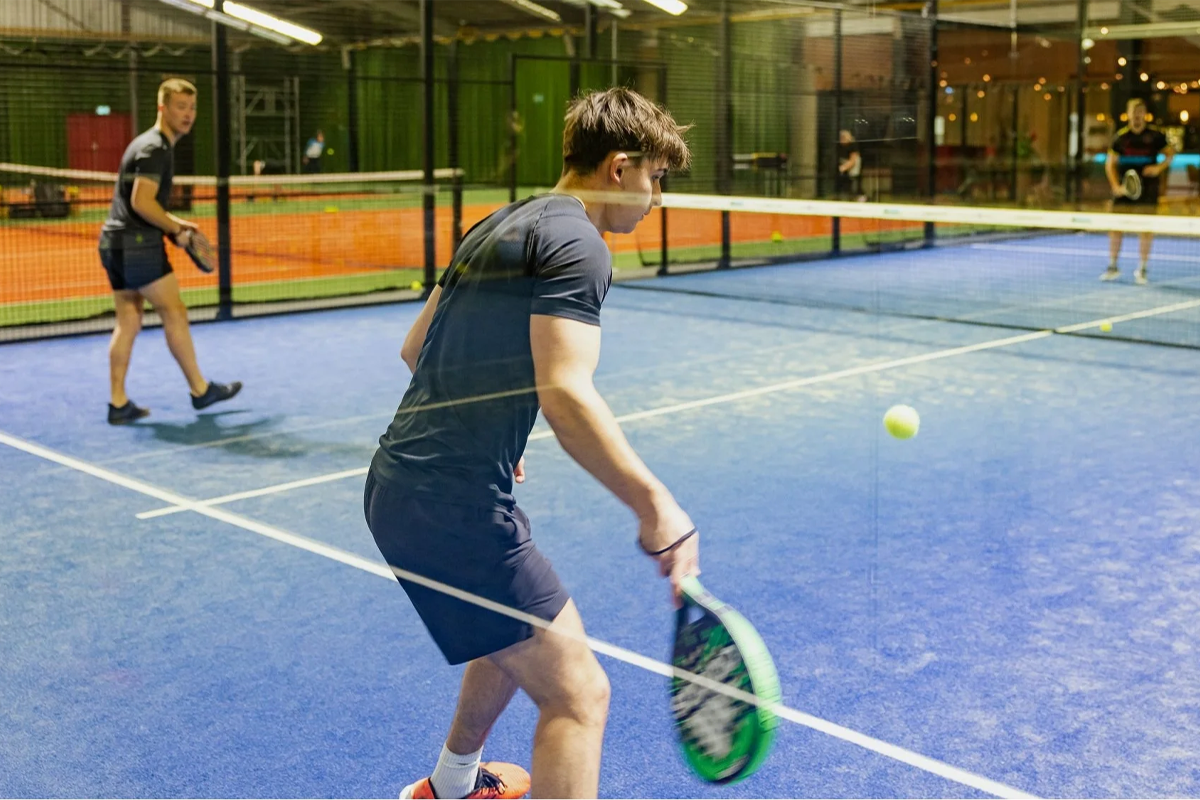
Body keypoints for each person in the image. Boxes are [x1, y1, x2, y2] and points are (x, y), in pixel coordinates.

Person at [363, 87, 696, 800]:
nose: (656, 198)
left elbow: (416, 346)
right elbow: (566, 395)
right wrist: (656, 507)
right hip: (453, 504)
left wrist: (491, 425)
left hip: (399, 483)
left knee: (514, 628)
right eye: (656, 177)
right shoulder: (580, 245)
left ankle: (452, 784)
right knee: (579, 697)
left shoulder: (497, 222)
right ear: (619, 168)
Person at [98, 78, 241, 425]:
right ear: (162, 108)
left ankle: (118, 403)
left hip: (114, 243)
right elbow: (141, 202)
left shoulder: (146, 143)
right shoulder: (156, 148)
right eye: (180, 107)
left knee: (128, 321)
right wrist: (175, 229)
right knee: (174, 311)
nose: (188, 114)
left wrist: (174, 222)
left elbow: (139, 204)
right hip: (137, 246)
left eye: (192, 107)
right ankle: (200, 390)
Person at [1101, 98, 1175, 284]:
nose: (1137, 115)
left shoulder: (1156, 136)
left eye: (1140, 112)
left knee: (1146, 229)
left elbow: (1170, 154)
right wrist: (1116, 187)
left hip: (1148, 190)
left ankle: (1142, 269)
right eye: (1134, 111)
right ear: (1128, 114)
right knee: (1116, 228)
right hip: (1124, 191)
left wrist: (1158, 168)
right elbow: (1110, 164)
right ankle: (1113, 266)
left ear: (1145, 115)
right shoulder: (1120, 137)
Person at [836, 129, 865, 201]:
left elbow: (853, 160)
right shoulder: (839, 146)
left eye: (844, 137)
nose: (842, 139)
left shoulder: (853, 145)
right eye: (841, 137)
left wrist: (844, 167)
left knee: (854, 182)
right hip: (845, 167)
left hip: (853, 168)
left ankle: (859, 197)